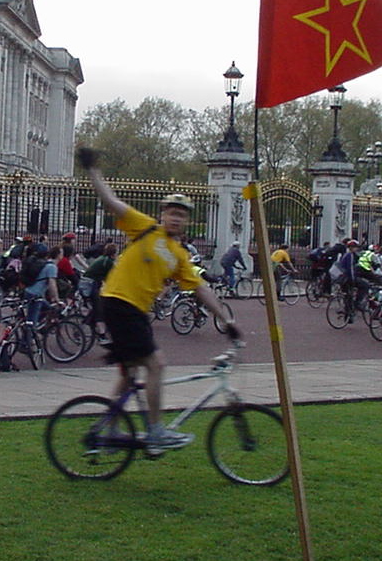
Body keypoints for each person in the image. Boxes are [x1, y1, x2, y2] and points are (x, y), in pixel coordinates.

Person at [79, 146, 235, 454]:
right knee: (157, 364)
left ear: (186, 221)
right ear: (162, 215)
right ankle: (155, 431)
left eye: (181, 215)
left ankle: (106, 432)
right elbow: (112, 202)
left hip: (136, 311)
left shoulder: (179, 255)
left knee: (131, 372)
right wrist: (93, 170)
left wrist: (227, 319)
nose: (176, 218)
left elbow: (200, 288)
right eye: (171, 212)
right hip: (118, 302)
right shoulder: (145, 227)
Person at [23, 243, 60, 326]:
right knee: (32, 322)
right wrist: (56, 299)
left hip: (31, 291)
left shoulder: (46, 263)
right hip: (35, 295)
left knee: (48, 309)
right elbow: (52, 284)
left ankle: (37, 327)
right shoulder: (52, 267)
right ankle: (27, 336)